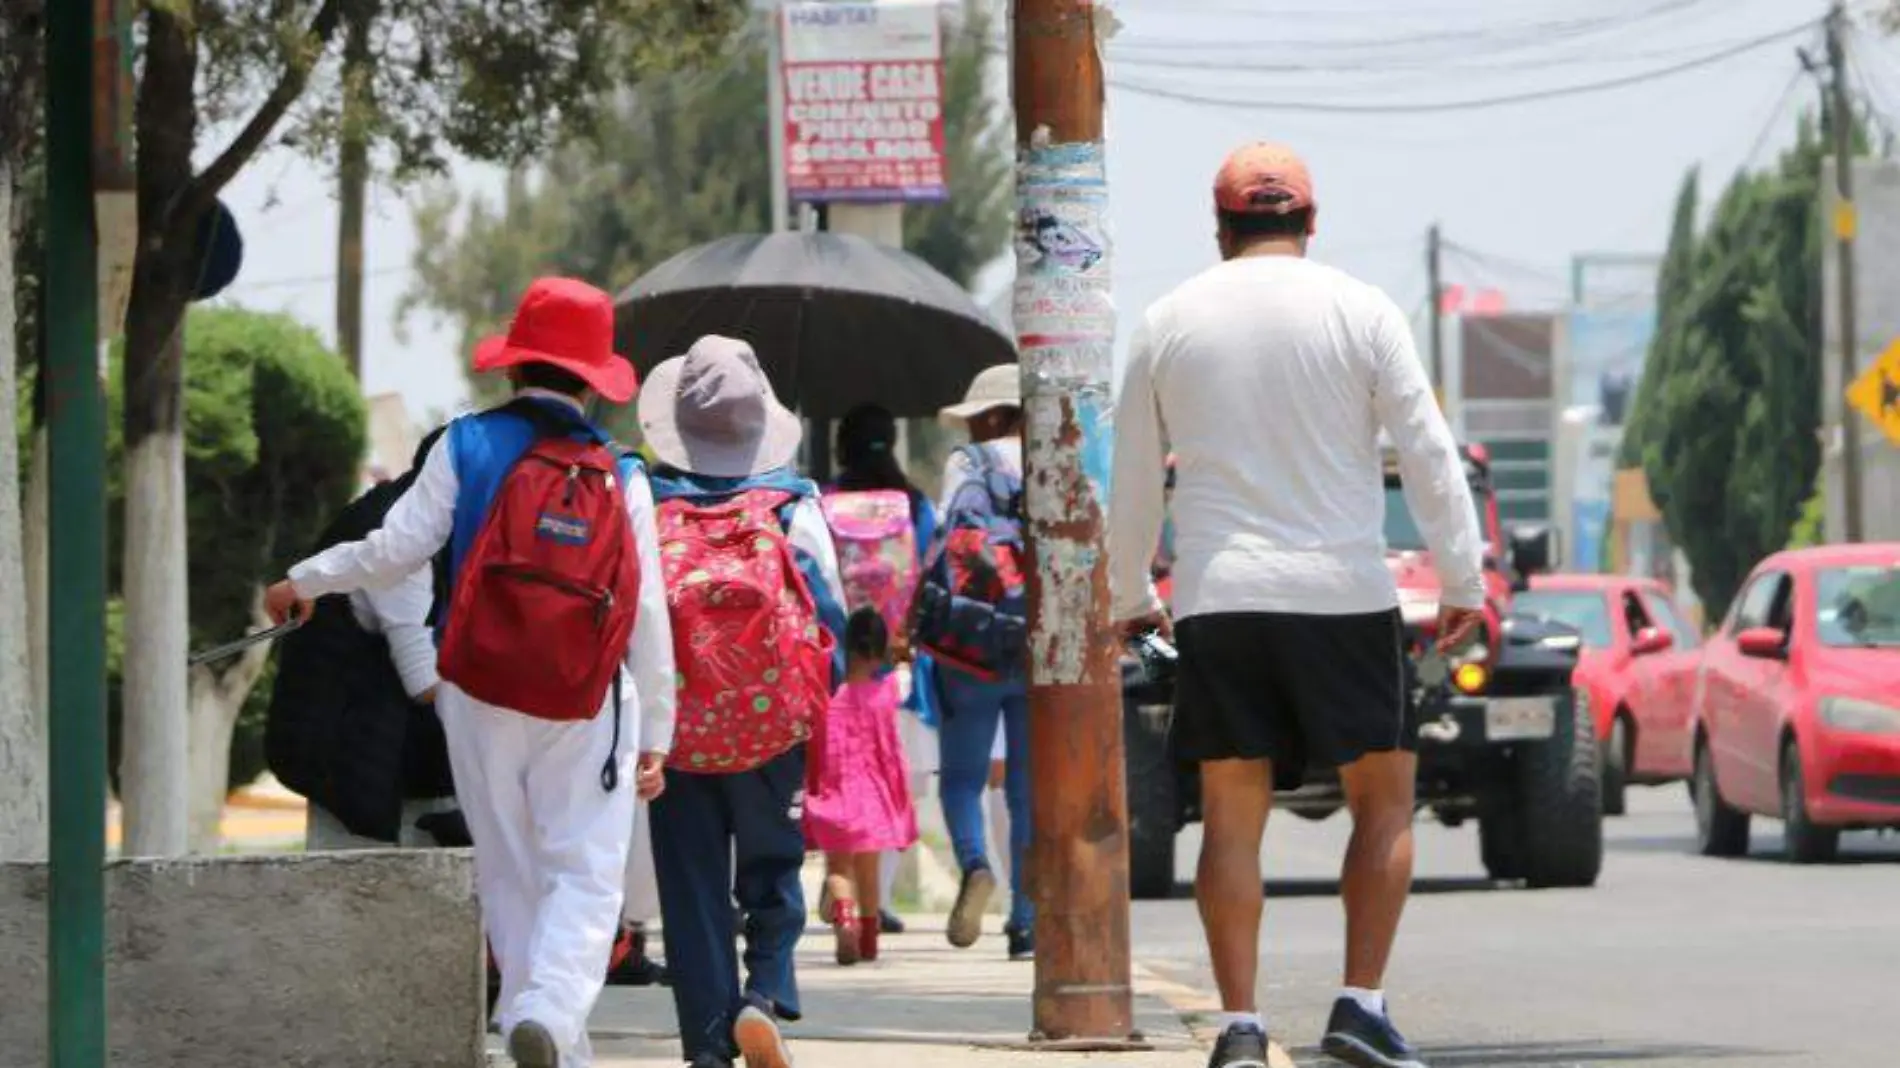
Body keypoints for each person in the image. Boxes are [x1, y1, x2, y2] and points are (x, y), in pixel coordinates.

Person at [1106, 143, 1485, 1068]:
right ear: (1309, 224)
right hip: (1345, 594)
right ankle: (1359, 1004)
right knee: (1385, 803)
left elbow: (1130, 481)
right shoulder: (1363, 311)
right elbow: (1429, 454)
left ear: (1221, 227)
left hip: (1219, 597)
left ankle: (1239, 1026)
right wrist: (1463, 581)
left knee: (1233, 817)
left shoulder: (1167, 321)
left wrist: (1129, 593)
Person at [265, 277, 675, 1068]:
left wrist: (303, 581)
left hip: (478, 687)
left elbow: (391, 550)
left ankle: (545, 1031)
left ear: (514, 367)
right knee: (585, 871)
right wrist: (656, 729)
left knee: (510, 871)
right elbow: (648, 612)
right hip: (584, 696)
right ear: (593, 379)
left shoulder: (465, 442)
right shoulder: (621, 474)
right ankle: (552, 1016)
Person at [639, 335, 848, 1068]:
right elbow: (832, 621)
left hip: (676, 733)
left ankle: (705, 1042)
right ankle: (762, 996)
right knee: (772, 868)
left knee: (691, 885)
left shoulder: (647, 499)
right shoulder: (794, 503)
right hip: (770, 727)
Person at [919, 363, 1034, 962]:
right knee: (1024, 790)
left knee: (963, 779)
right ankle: (1027, 920)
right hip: (1034, 640)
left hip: (970, 641)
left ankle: (975, 862)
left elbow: (947, 538)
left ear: (990, 415)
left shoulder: (969, 463)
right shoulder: (1055, 459)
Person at [829, 403, 940, 935]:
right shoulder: (913, 502)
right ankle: (881, 905)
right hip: (895, 663)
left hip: (837, 664)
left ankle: (840, 889)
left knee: (838, 779)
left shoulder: (824, 499)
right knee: (888, 779)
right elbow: (931, 571)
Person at [803, 607, 919, 965]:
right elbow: (905, 673)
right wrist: (902, 655)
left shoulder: (828, 702)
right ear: (880, 649)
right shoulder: (888, 692)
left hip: (835, 799)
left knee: (838, 871)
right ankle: (869, 941)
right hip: (874, 801)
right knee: (869, 873)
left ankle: (845, 915)